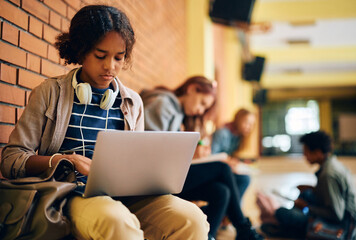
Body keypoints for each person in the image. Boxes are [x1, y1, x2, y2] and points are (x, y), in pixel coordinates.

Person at [0, 5, 210, 240]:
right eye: (101, 56)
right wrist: (64, 159)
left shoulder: (133, 102)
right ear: (81, 51)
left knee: (192, 219)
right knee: (117, 221)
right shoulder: (50, 93)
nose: (110, 66)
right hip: (72, 193)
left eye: (119, 58)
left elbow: (138, 162)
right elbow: (11, 160)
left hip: (126, 195)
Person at [141, 77, 263, 240]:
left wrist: (192, 153)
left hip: (169, 174)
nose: (200, 111)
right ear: (192, 89)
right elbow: (151, 150)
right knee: (222, 168)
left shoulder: (177, 113)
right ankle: (243, 228)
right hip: (155, 178)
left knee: (221, 191)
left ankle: (209, 236)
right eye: (202, 104)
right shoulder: (162, 104)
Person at [259, 131, 356, 239]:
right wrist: (313, 189)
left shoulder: (328, 175)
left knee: (281, 213)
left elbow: (336, 215)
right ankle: (291, 227)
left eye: (306, 152)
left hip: (343, 227)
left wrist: (306, 207)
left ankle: (294, 229)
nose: (304, 156)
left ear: (317, 152)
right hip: (343, 219)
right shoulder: (333, 164)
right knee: (306, 194)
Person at [211, 108, 256, 203]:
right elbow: (212, 156)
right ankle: (234, 212)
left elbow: (229, 156)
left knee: (243, 179)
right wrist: (229, 161)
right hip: (215, 170)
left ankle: (233, 211)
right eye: (246, 123)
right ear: (238, 120)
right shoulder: (222, 133)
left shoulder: (238, 137)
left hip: (225, 170)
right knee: (244, 180)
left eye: (251, 124)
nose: (249, 127)